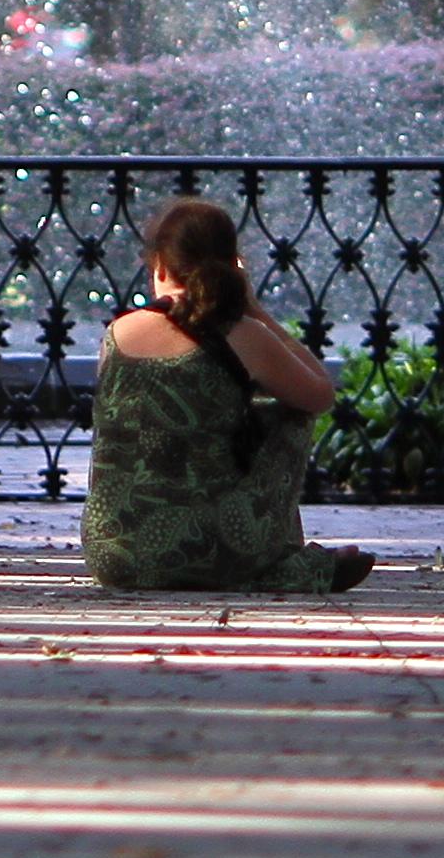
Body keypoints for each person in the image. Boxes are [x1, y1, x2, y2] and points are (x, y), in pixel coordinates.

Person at [83, 197, 374, 595]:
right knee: (290, 413)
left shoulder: (117, 333)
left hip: (114, 555)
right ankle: (271, 560)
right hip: (213, 545)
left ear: (159, 266)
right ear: (231, 263)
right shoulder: (243, 332)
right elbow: (319, 393)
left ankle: (260, 564)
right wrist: (256, 312)